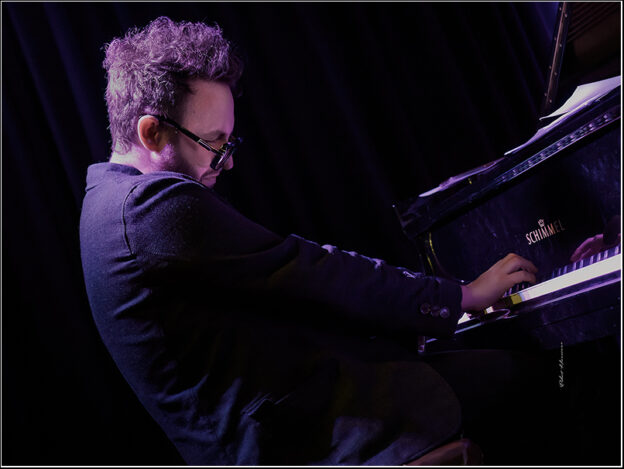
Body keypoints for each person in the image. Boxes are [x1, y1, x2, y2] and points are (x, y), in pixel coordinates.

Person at [80, 17, 560, 465]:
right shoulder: (150, 208)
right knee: (543, 378)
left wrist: (405, 324)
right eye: (214, 143)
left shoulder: (105, 204)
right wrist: (460, 297)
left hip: (290, 425)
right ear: (152, 132)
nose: (228, 162)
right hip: (309, 437)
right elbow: (312, 271)